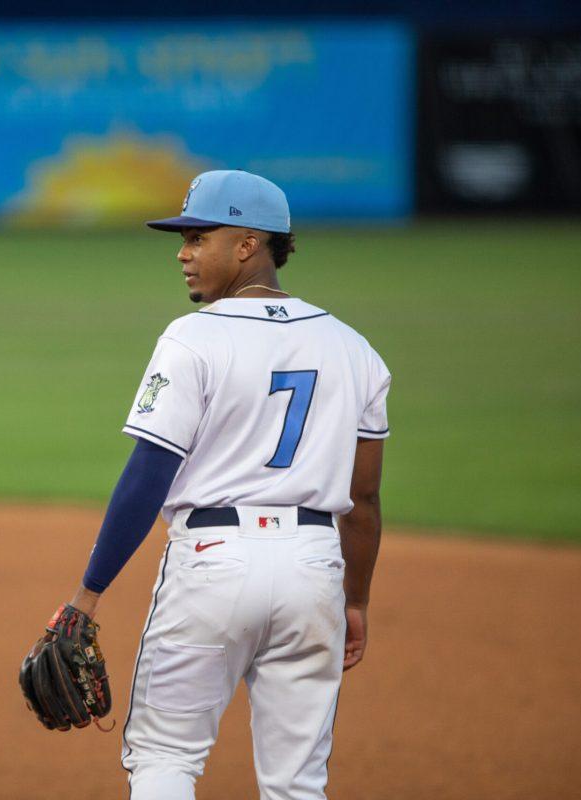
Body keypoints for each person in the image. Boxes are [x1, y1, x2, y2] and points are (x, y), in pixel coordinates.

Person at [58, 170, 389, 799]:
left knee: (165, 757)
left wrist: (88, 593)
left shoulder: (195, 336)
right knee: (298, 782)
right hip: (315, 568)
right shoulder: (355, 348)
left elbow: (150, 472)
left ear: (247, 244)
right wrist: (356, 600)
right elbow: (364, 500)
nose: (182, 253)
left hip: (213, 563)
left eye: (197, 236)